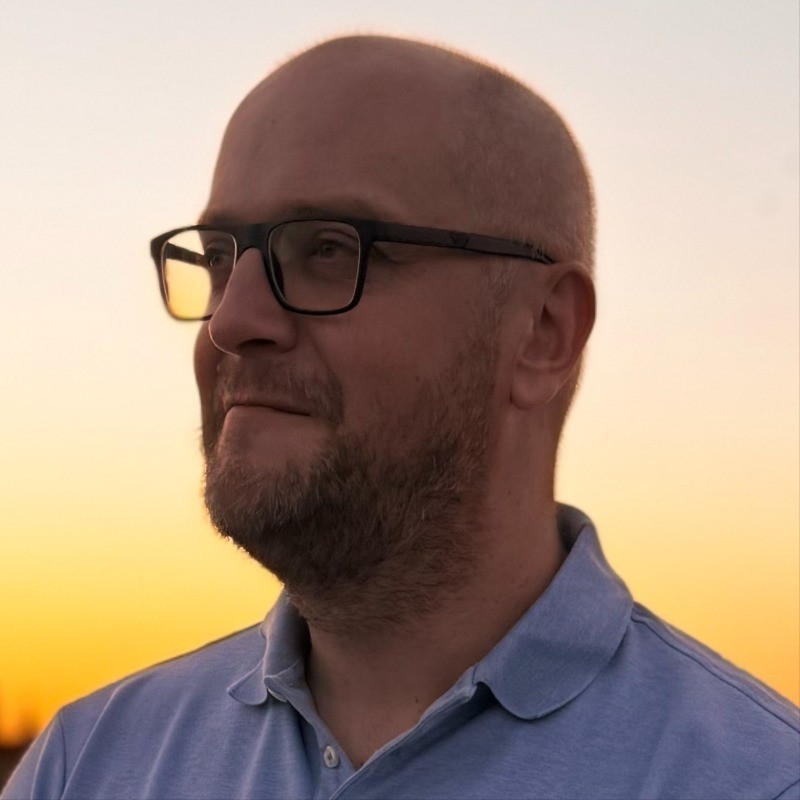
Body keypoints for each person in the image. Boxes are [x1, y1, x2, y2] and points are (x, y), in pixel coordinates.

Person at [3, 34, 798, 800]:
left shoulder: (757, 780)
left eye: (328, 249)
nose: (232, 321)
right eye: (217, 258)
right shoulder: (88, 765)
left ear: (543, 332)